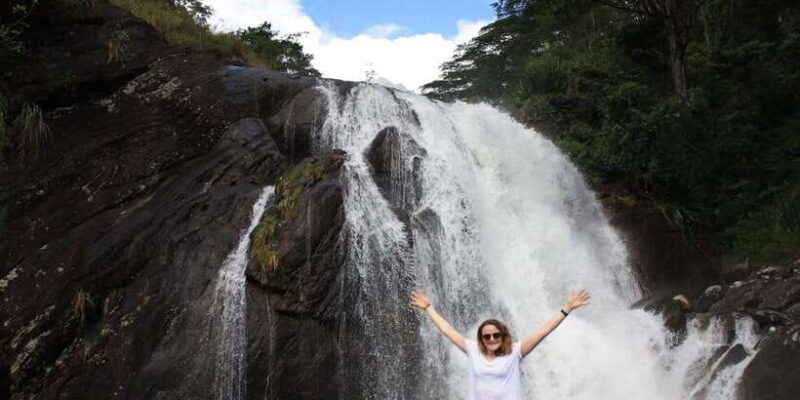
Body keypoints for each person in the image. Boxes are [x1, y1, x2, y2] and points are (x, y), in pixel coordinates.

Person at [409, 289, 591, 400]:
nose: (491, 339)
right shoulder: (472, 350)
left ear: (503, 336)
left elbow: (543, 331)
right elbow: (447, 330)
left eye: (496, 335)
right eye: (486, 336)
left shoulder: (515, 352)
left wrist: (567, 308)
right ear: (481, 339)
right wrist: (428, 307)